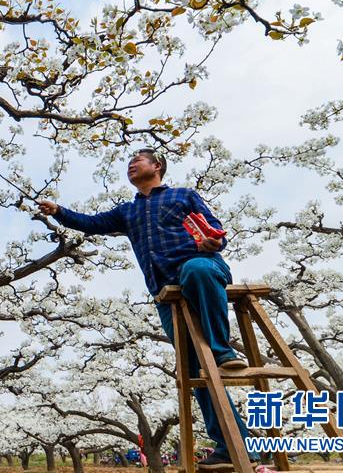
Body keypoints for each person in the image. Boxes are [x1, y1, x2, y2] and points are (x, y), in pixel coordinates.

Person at [38, 148, 258, 470]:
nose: (130, 166)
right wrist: (58, 210)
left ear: (157, 166)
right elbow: (91, 223)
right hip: (167, 294)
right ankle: (232, 445)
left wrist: (214, 242)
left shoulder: (183, 196)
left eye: (136, 161)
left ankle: (223, 352)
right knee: (195, 370)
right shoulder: (128, 212)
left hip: (204, 270)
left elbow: (215, 230)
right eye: (129, 164)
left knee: (196, 270)